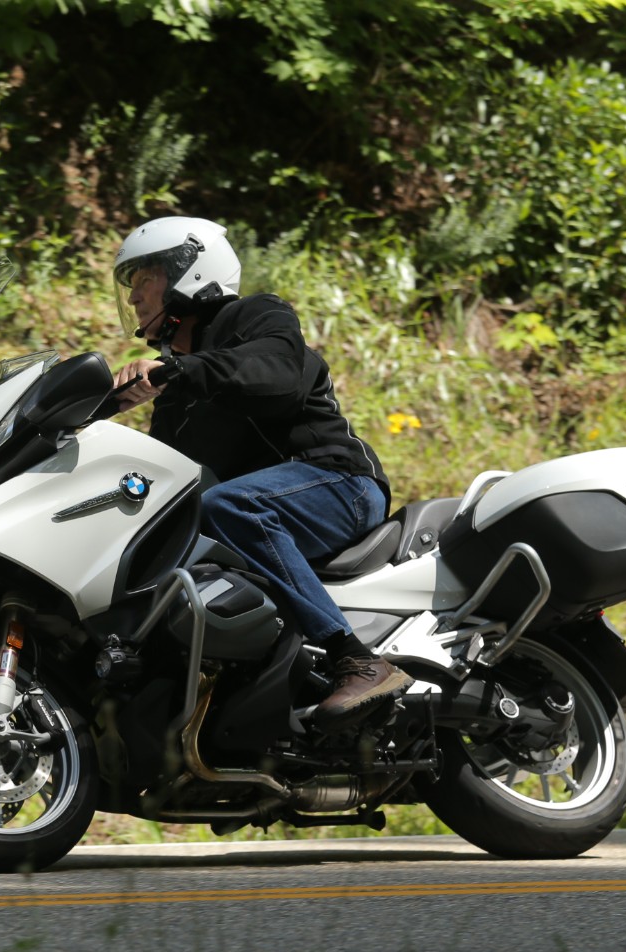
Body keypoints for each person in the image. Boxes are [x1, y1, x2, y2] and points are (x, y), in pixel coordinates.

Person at [110, 216, 411, 729]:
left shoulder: (256, 315)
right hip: (270, 510)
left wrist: (181, 370)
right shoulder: (177, 391)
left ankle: (355, 657)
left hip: (337, 484)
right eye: (131, 287)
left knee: (226, 505)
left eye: (145, 279)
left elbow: (277, 376)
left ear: (189, 269)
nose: (136, 298)